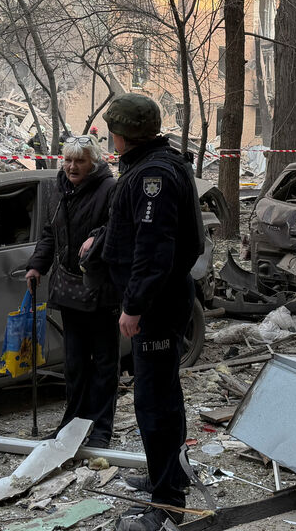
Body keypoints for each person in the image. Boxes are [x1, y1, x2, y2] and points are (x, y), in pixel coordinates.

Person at [94, 93, 203, 531]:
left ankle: (167, 505)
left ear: (124, 134)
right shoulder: (156, 164)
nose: (109, 136)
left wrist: (135, 305)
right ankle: (168, 475)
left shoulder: (152, 174)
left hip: (156, 306)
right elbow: (137, 229)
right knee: (162, 395)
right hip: (163, 300)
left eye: (112, 129)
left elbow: (154, 248)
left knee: (153, 403)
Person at [24, 137, 118, 448]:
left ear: (94, 163)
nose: (72, 166)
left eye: (80, 161)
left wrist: (98, 237)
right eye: (68, 160)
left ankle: (102, 428)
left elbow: (119, 230)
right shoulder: (58, 187)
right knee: (75, 361)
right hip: (67, 285)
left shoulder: (109, 188)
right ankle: (73, 422)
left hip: (100, 286)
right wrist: (37, 265)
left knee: (104, 360)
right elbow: (50, 232)